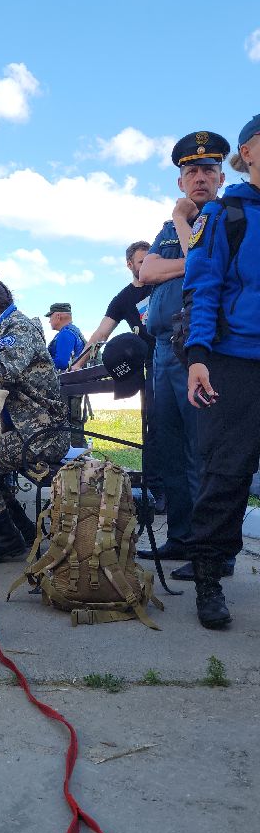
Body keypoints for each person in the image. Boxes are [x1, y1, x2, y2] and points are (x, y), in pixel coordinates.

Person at [137, 131, 231, 572]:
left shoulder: (229, 217)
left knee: (203, 451)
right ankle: (181, 536)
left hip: (201, 352)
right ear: (180, 180)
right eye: (190, 171)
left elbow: (203, 264)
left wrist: (181, 221)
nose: (199, 177)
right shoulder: (165, 230)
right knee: (170, 448)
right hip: (162, 351)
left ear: (221, 176)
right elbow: (146, 271)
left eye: (208, 170)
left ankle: (210, 550)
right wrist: (177, 239)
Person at [184, 115, 260, 628]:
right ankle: (210, 579)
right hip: (236, 362)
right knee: (227, 473)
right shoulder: (226, 214)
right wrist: (197, 358)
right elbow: (204, 288)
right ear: (249, 153)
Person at [0, 279, 70, 561]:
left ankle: (6, 537)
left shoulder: (17, 327)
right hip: (31, 430)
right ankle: (20, 531)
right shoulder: (4, 330)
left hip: (42, 435)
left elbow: (0, 372)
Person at [71, 240, 164, 511]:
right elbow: (102, 333)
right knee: (153, 428)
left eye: (150, 260)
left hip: (175, 360)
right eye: (140, 261)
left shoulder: (162, 284)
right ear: (129, 264)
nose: (146, 265)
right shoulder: (123, 298)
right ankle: (156, 491)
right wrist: (79, 363)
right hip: (149, 367)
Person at [46, 302, 86, 371]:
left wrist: (40, 363)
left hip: (68, 380)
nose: (49, 321)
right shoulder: (74, 331)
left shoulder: (66, 333)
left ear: (58, 316)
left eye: (50, 317)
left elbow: (62, 363)